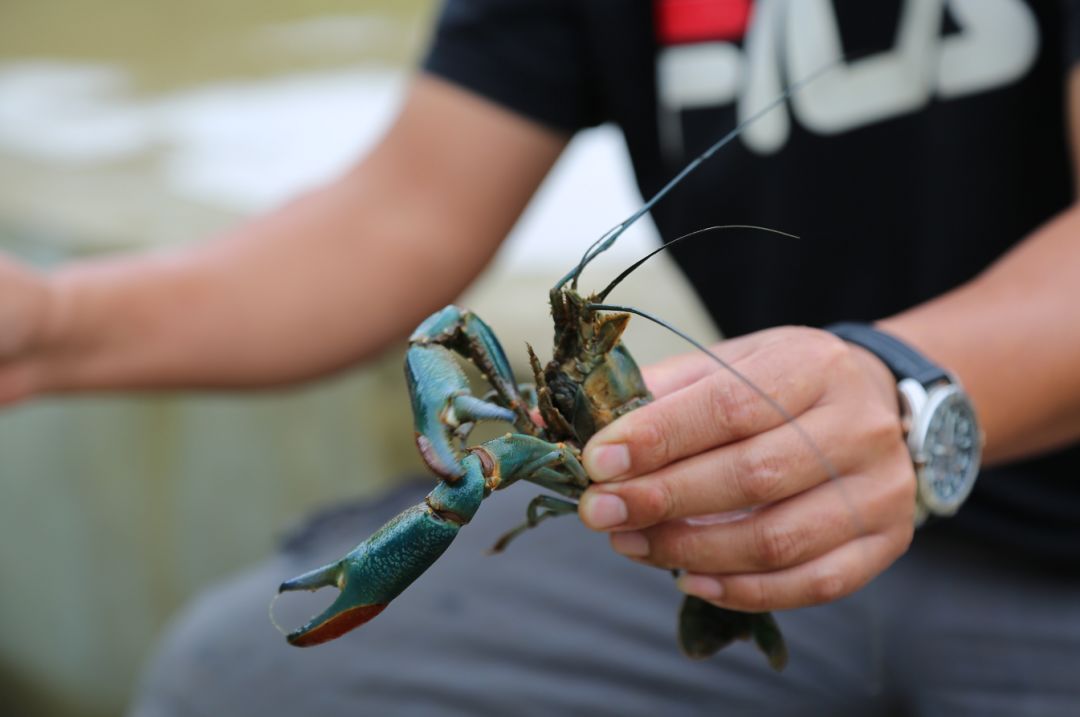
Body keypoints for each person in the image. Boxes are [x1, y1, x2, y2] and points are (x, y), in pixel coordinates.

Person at [4, 1, 1078, 714]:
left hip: (1056, 565)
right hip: (697, 547)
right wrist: (45, 321)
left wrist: (899, 381)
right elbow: (400, 217)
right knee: (233, 681)